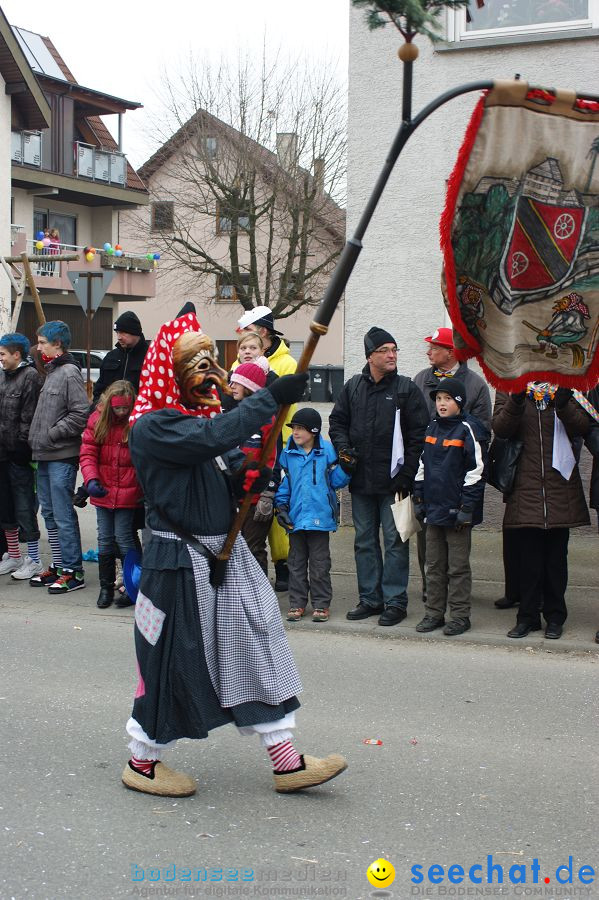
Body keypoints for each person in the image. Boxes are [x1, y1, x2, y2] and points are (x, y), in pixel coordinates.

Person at [120, 306, 346, 798]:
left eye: (210, 362)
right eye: (197, 366)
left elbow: (219, 463)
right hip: (175, 564)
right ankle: (143, 762)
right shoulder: (153, 426)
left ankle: (285, 760)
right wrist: (269, 399)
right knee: (171, 662)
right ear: (171, 373)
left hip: (223, 557)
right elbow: (211, 437)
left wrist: (245, 478)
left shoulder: (191, 420)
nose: (210, 375)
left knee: (257, 641)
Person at [329, 327, 429, 626]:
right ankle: (370, 599)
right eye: (385, 350)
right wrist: (344, 450)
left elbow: (418, 435)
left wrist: (408, 473)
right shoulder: (353, 388)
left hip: (395, 483)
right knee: (364, 541)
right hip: (360, 481)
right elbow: (337, 422)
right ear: (370, 356)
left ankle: (395, 602)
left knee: (395, 540)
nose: (392, 355)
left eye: (394, 350)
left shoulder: (405, 389)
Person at [492, 383, 590, 639]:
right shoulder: (510, 385)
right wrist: (515, 400)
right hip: (526, 487)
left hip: (560, 488)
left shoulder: (567, 386)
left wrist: (563, 403)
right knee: (529, 562)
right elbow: (500, 428)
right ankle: (527, 617)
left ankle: (555, 617)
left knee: (556, 561)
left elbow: (583, 427)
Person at [413, 326, 492, 603]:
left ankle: (457, 602)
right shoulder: (421, 379)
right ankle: (432, 592)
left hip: (457, 480)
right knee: (428, 543)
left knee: (456, 549)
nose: (429, 352)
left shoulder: (475, 384)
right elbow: (413, 423)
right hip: (429, 474)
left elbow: (482, 432)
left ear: (450, 352)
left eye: (434, 347)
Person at [413, 379, 488, 636]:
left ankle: (459, 616)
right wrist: (419, 498)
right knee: (433, 565)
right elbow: (422, 465)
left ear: (459, 402)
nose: (442, 404)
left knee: (457, 567)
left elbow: (476, 472)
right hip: (433, 509)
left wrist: (467, 506)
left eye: (447, 399)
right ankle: (434, 613)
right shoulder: (432, 427)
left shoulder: (469, 429)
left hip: (457, 512)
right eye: (438, 399)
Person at [237, 306, 298, 592]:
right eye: (243, 346)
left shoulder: (284, 364)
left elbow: (287, 405)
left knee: (270, 508)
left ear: (262, 334)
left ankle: (283, 564)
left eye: (251, 343)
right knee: (251, 525)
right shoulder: (235, 371)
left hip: (275, 442)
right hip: (243, 454)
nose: (247, 349)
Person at [28, 321, 89, 593]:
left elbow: (80, 413)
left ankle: (73, 571)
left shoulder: (69, 373)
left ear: (58, 344)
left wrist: (53, 434)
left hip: (61, 455)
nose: (38, 347)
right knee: (50, 514)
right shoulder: (52, 372)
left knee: (63, 515)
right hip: (44, 455)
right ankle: (59, 564)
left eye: (42, 342)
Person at [275, 408, 350, 623]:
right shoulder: (288, 455)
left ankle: (321, 604)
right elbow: (284, 485)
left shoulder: (327, 451)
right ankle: (297, 603)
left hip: (320, 519)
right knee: (296, 563)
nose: (295, 433)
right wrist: (281, 508)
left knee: (319, 565)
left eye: (300, 429)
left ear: (314, 431)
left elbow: (336, 481)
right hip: (296, 519)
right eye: (294, 428)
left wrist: (348, 468)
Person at [80, 380, 142, 609]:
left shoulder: (136, 422)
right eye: (118, 408)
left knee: (124, 538)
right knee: (104, 539)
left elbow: (142, 459)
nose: (122, 412)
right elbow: (87, 453)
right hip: (104, 489)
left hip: (128, 492)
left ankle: (132, 585)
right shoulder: (98, 420)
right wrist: (91, 479)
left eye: (125, 408)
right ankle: (106, 587)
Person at [0, 333, 43, 580]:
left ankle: (34, 559)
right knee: (5, 507)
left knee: (24, 507)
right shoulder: (1, 376)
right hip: (2, 454)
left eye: (4, 354)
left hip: (19, 454)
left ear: (17, 354)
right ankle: (14, 555)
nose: (1, 359)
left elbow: (29, 416)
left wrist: (21, 448)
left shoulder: (30, 377)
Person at [228, 360, 278, 574]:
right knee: (232, 550)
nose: (231, 386)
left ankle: (259, 597)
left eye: (236, 382)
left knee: (253, 548)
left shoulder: (267, 421)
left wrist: (266, 492)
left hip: (255, 498)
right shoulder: (232, 418)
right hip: (232, 496)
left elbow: (271, 459)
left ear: (249, 387)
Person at [93, 311, 150, 404]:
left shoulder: (150, 357)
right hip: (109, 415)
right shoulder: (111, 357)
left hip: (139, 415)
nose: (119, 337)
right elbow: (99, 391)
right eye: (117, 333)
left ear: (135, 332)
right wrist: (99, 408)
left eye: (123, 333)